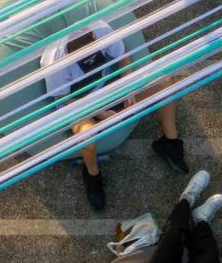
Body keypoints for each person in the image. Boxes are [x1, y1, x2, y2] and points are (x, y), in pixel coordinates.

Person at [40, 19, 187, 210]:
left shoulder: (101, 30)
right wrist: (100, 113)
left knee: (165, 83)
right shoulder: (54, 62)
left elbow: (123, 57)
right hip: (79, 105)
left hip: (108, 88)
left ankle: (170, 142)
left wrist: (129, 89)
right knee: (87, 135)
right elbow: (64, 98)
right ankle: (92, 175)